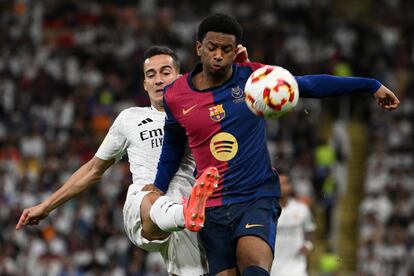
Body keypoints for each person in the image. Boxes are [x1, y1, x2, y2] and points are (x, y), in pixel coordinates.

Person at [149, 13, 400, 276]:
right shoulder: (175, 95)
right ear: (198, 47)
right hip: (212, 205)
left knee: (254, 267)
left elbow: (308, 84)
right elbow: (173, 148)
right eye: (212, 47)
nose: (219, 55)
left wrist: (370, 85)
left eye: (227, 49)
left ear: (236, 51)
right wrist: (157, 187)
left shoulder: (254, 78)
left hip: (256, 196)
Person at [15, 45, 250, 275]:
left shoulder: (198, 113)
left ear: (179, 78)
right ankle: (182, 213)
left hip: (189, 212)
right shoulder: (130, 118)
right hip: (144, 209)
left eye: (165, 73)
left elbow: (237, 109)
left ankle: (184, 214)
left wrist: (241, 69)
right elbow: (93, 170)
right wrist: (46, 206)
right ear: (145, 84)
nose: (158, 80)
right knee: (146, 195)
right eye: (151, 75)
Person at [270, 172, 316, 276]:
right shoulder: (267, 211)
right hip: (273, 268)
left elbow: (310, 230)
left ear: (290, 186)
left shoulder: (302, 209)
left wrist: (308, 245)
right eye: (279, 183)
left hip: (297, 267)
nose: (282, 187)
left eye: (285, 183)